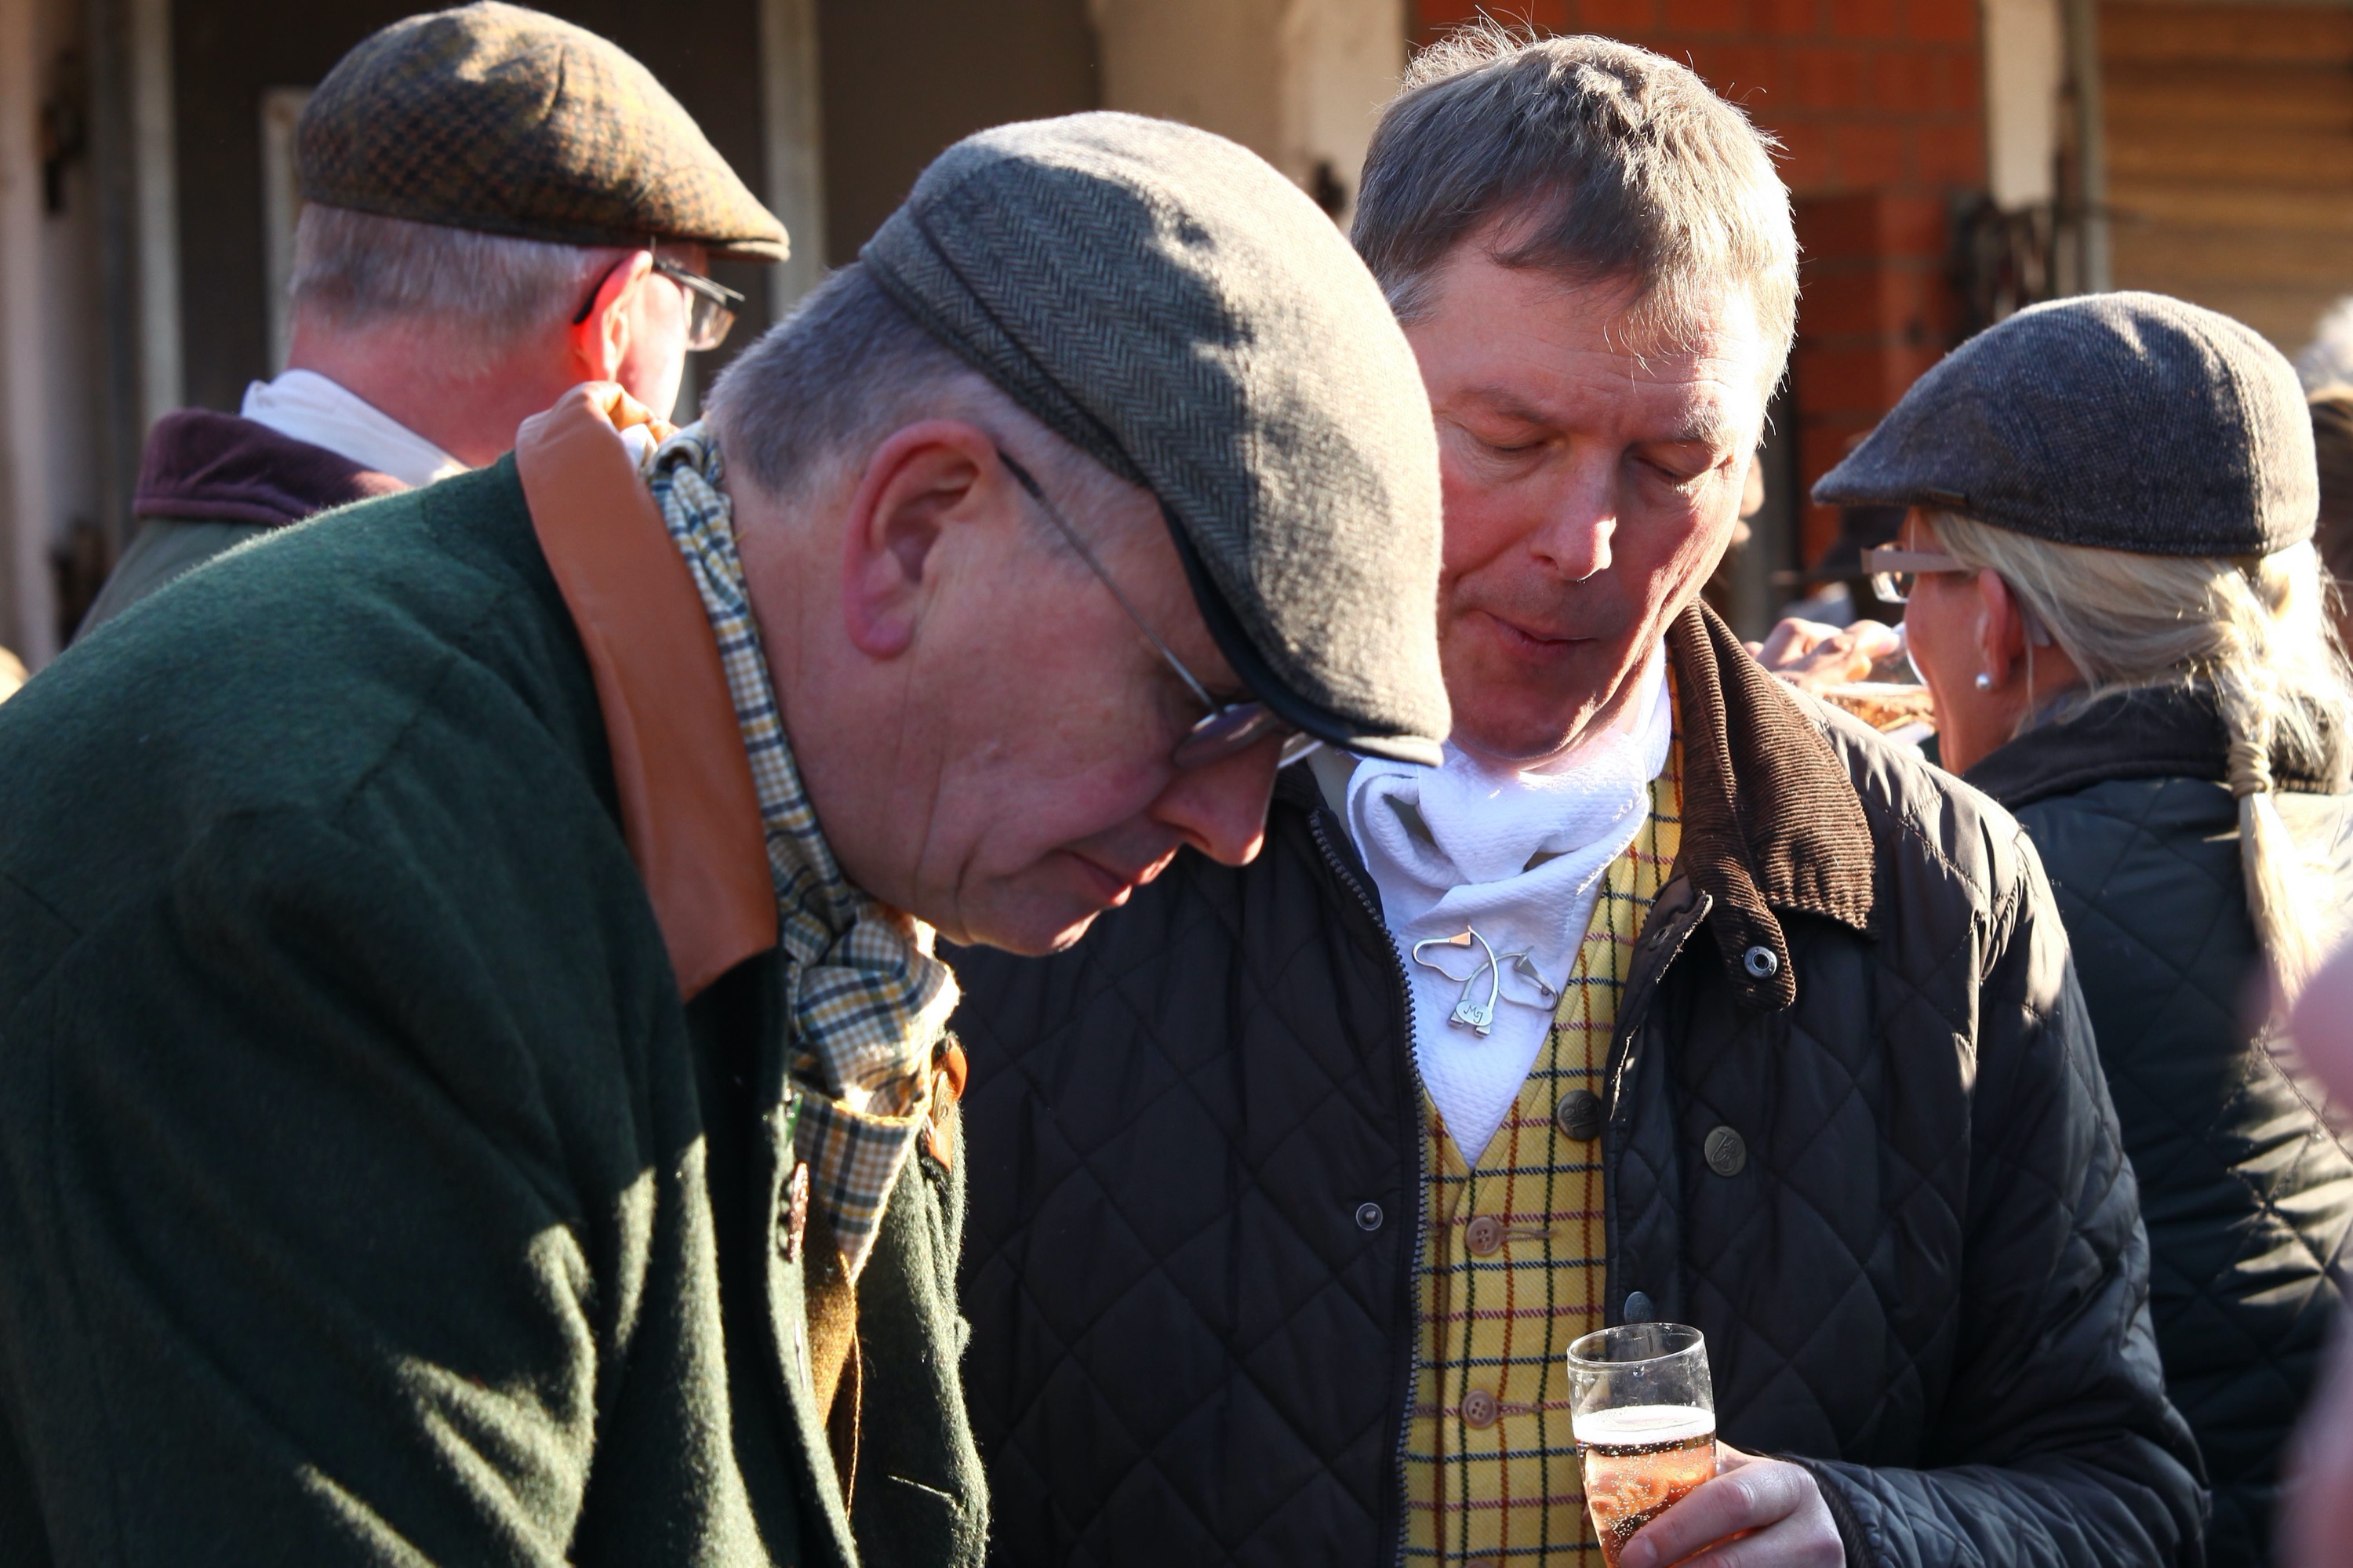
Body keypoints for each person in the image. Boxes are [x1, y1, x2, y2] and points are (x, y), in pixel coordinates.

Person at [0, 111, 1453, 1564]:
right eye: (1208, 704)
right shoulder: (337, 887)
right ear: (917, 529)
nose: (1232, 824)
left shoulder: (837, 864)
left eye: (1285, 749)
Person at [952, 29, 2203, 1568]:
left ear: (1752, 472)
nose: (1583, 542)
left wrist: (1875, 1533)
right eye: (1511, 439)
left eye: (1672, 460)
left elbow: (2122, 1489)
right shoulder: (1063, 825)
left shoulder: (1942, 886)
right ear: (1356, 388)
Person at [1812, 291, 2353, 1568]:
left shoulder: (1974, 909)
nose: (1896, 627)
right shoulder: (2314, 823)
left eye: (1910, 579)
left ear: (2000, 618)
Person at [75, 2, 776, 635]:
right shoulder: (456, 645)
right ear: (613, 320)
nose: (694, 346)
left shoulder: (162, 568)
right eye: (695, 308)